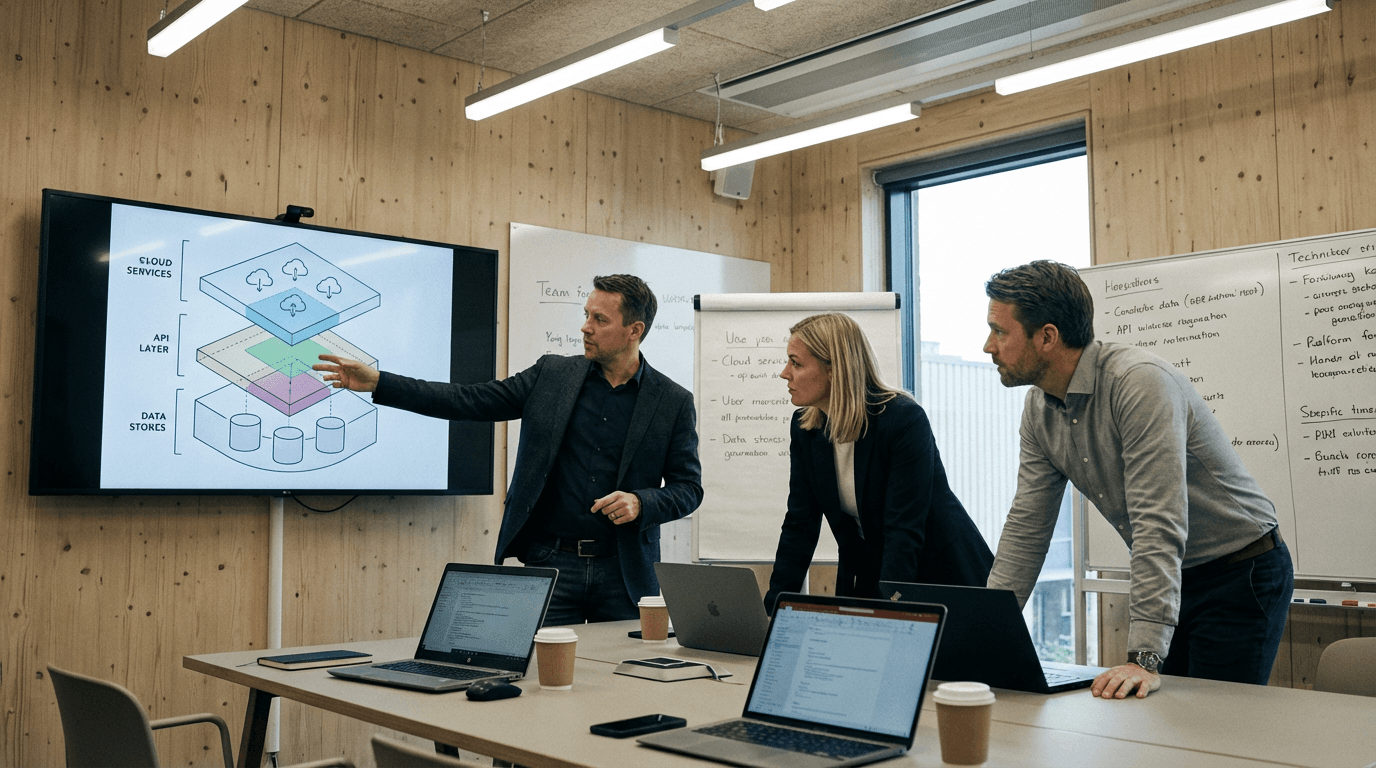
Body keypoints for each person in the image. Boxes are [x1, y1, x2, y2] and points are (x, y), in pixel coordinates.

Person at [313, 274, 702, 626]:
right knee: (534, 684)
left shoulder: (671, 401)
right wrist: (381, 383)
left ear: (634, 330)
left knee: (621, 685)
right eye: (586, 314)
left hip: (625, 571)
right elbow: (467, 400)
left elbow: (688, 488)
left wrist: (641, 502)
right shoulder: (552, 376)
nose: (585, 327)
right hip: (551, 564)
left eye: (600, 320)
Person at [982, 260, 1292, 700]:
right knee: (1165, 723)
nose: (988, 346)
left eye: (999, 331)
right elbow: (1027, 527)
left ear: (1046, 337)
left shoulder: (1138, 383)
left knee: (1219, 726)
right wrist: (987, 635)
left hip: (1239, 572)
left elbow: (1157, 521)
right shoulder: (1039, 408)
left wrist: (1144, 657)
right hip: (1175, 574)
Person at [763, 313, 994, 612]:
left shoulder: (902, 420)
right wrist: (773, 609)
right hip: (873, 576)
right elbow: (800, 524)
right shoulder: (807, 427)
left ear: (834, 368)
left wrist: (890, 611)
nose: (785, 373)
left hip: (941, 577)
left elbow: (903, 529)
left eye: (796, 363)